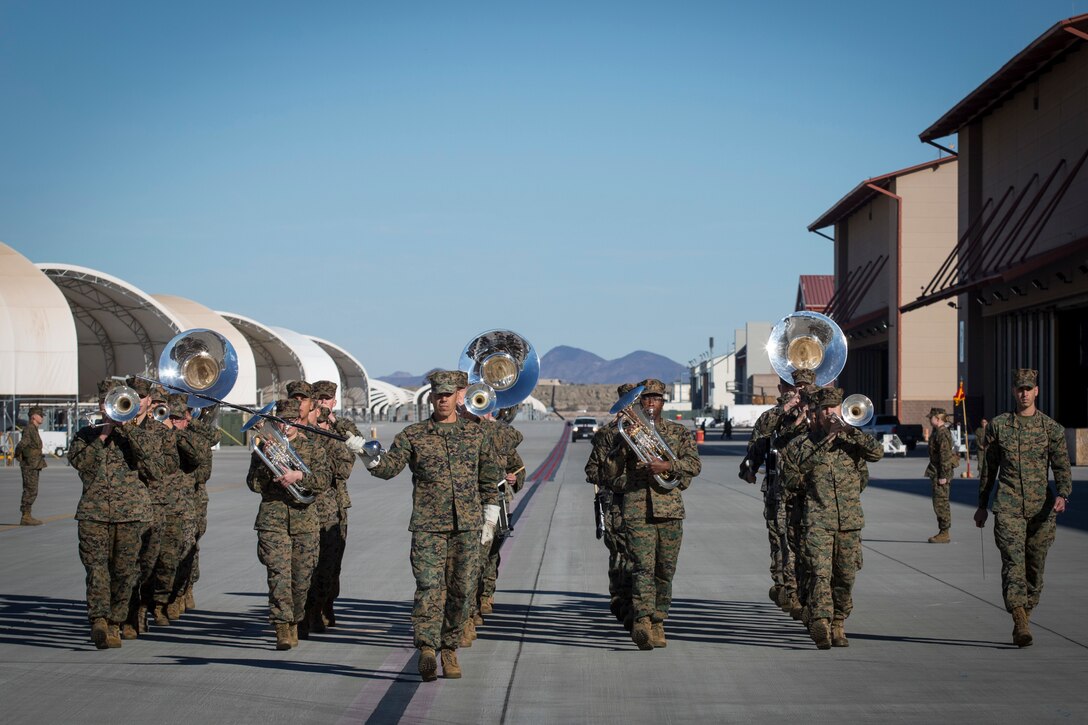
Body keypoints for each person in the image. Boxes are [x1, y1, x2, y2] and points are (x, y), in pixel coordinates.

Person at [348, 370, 500, 681]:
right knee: (430, 589)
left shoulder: (476, 434)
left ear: (458, 397)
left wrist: (490, 516)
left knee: (463, 591)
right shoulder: (413, 435)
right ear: (431, 397)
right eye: (438, 395)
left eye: (448, 394)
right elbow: (389, 469)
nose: (443, 399)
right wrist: (366, 453)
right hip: (429, 527)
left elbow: (488, 480)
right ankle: (428, 648)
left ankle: (450, 648)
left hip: (468, 527)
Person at [975, 368, 1072, 647]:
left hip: (1042, 510)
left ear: (1037, 391)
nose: (1024, 393)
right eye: (1020, 389)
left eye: (1029, 389)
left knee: (1034, 570)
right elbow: (988, 469)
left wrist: (1063, 494)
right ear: (1013, 391)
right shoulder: (999, 426)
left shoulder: (1050, 429)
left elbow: (1062, 467)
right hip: (1008, 507)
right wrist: (982, 505)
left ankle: (1025, 614)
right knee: (1013, 565)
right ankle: (1019, 622)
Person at [780, 386, 883, 649]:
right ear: (816, 412)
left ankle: (839, 621)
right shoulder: (801, 445)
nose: (829, 413)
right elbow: (790, 479)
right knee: (819, 574)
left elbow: (876, 454)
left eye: (833, 408)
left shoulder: (852, 441)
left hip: (849, 522)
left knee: (845, 577)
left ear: (840, 409)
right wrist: (823, 447)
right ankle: (822, 622)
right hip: (817, 521)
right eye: (824, 409)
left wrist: (851, 432)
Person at [608, 378, 701, 650]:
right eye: (646, 398)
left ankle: (659, 620)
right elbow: (611, 474)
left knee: (665, 570)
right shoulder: (625, 432)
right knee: (642, 569)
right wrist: (622, 445)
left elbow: (694, 465)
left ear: (663, 402)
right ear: (639, 402)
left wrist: (667, 465)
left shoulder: (678, 432)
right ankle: (643, 621)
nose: (651, 403)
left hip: (670, 510)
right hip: (637, 510)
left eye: (656, 398)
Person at [67, 380, 159, 649]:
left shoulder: (138, 436)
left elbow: (155, 468)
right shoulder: (87, 435)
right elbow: (82, 465)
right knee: (97, 571)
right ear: (101, 406)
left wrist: (128, 430)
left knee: (124, 573)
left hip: (130, 515)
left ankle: (116, 623)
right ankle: (99, 620)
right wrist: (104, 434)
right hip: (93, 514)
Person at [247, 398, 329, 650]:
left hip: (305, 522)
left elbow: (324, 480)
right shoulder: (263, 447)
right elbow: (253, 484)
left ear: (299, 422)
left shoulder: (314, 448)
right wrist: (266, 467)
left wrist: (299, 475)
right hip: (273, 520)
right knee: (278, 576)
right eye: (281, 421)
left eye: (292, 421)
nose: (286, 426)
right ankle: (281, 626)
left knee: (301, 579)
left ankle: (294, 620)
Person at [740, 369, 815, 615]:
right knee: (781, 541)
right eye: (794, 387)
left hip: (811, 492)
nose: (799, 391)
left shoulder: (818, 415)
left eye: (805, 387)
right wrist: (750, 467)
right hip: (778, 489)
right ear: (782, 389)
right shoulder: (775, 415)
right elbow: (760, 437)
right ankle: (786, 588)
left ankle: (803, 593)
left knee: (807, 543)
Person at [585, 383, 637, 630]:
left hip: (644, 504)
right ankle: (622, 600)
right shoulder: (608, 435)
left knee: (641, 557)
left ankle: (639, 606)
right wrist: (616, 478)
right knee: (620, 553)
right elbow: (591, 470)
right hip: (616, 503)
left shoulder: (650, 432)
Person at [310, 380, 355, 628]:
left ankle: (326, 603)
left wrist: (336, 426)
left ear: (334, 402)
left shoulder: (341, 429)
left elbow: (347, 465)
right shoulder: (302, 428)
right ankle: (309, 610)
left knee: (331, 562)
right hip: (306, 503)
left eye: (327, 399)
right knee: (308, 561)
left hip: (334, 503)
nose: (323, 403)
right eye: (318, 399)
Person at [925, 408, 957, 543]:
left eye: (931, 417)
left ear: (937, 419)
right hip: (937, 471)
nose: (929, 419)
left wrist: (943, 475)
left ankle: (944, 532)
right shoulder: (937, 432)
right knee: (938, 502)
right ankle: (943, 530)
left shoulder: (942, 433)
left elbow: (945, 456)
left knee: (941, 503)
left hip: (941, 473)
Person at [15, 405, 47, 525]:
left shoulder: (33, 429)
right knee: (30, 490)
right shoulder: (29, 429)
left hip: (34, 464)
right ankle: (26, 516)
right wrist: (18, 455)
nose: (42, 417)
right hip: (29, 464)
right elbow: (22, 444)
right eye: (40, 415)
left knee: (32, 490)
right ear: (34, 416)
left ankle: (27, 515)